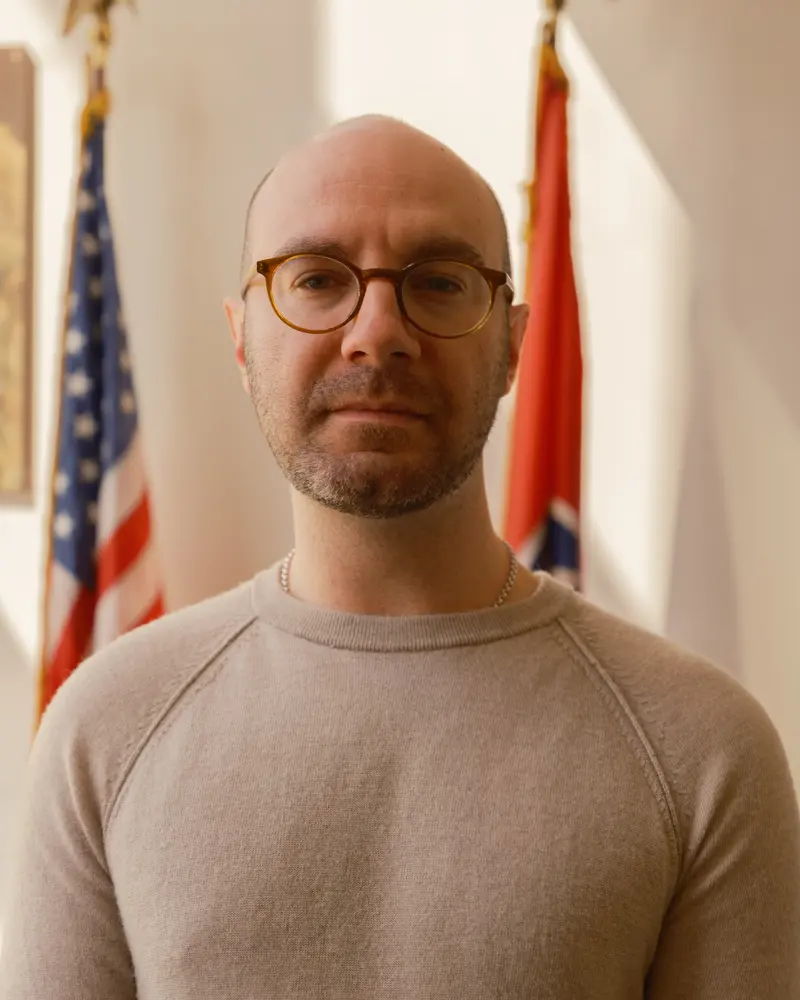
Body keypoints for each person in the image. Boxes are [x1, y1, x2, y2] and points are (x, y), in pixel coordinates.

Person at [2, 116, 799, 1000]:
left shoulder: (701, 749)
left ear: (513, 344)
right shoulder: (103, 731)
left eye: (442, 281)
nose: (377, 333)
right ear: (241, 338)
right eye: (314, 278)